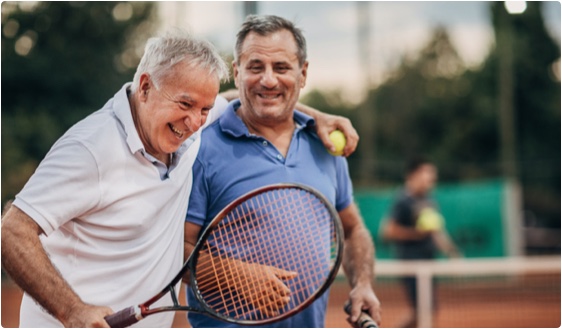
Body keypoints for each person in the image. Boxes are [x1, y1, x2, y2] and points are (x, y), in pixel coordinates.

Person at [1, 29, 359, 328]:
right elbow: (11, 230)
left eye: (205, 109)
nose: (195, 121)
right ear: (144, 88)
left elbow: (245, 100)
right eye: (185, 105)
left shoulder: (187, 131)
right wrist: (73, 311)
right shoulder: (90, 149)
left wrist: (317, 115)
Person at [184, 15, 381, 328]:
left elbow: (352, 229)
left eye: (282, 67)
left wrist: (362, 283)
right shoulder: (200, 149)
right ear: (236, 73)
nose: (269, 80)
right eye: (255, 67)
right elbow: (174, 249)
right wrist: (236, 276)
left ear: (303, 73)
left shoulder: (327, 146)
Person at [382, 156, 460, 328]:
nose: (431, 181)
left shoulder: (429, 200)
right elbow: (388, 231)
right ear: (414, 175)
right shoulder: (402, 199)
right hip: (411, 263)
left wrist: (451, 251)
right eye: (427, 176)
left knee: (426, 311)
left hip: (429, 262)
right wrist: (417, 234)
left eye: (433, 177)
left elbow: (436, 232)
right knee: (423, 311)